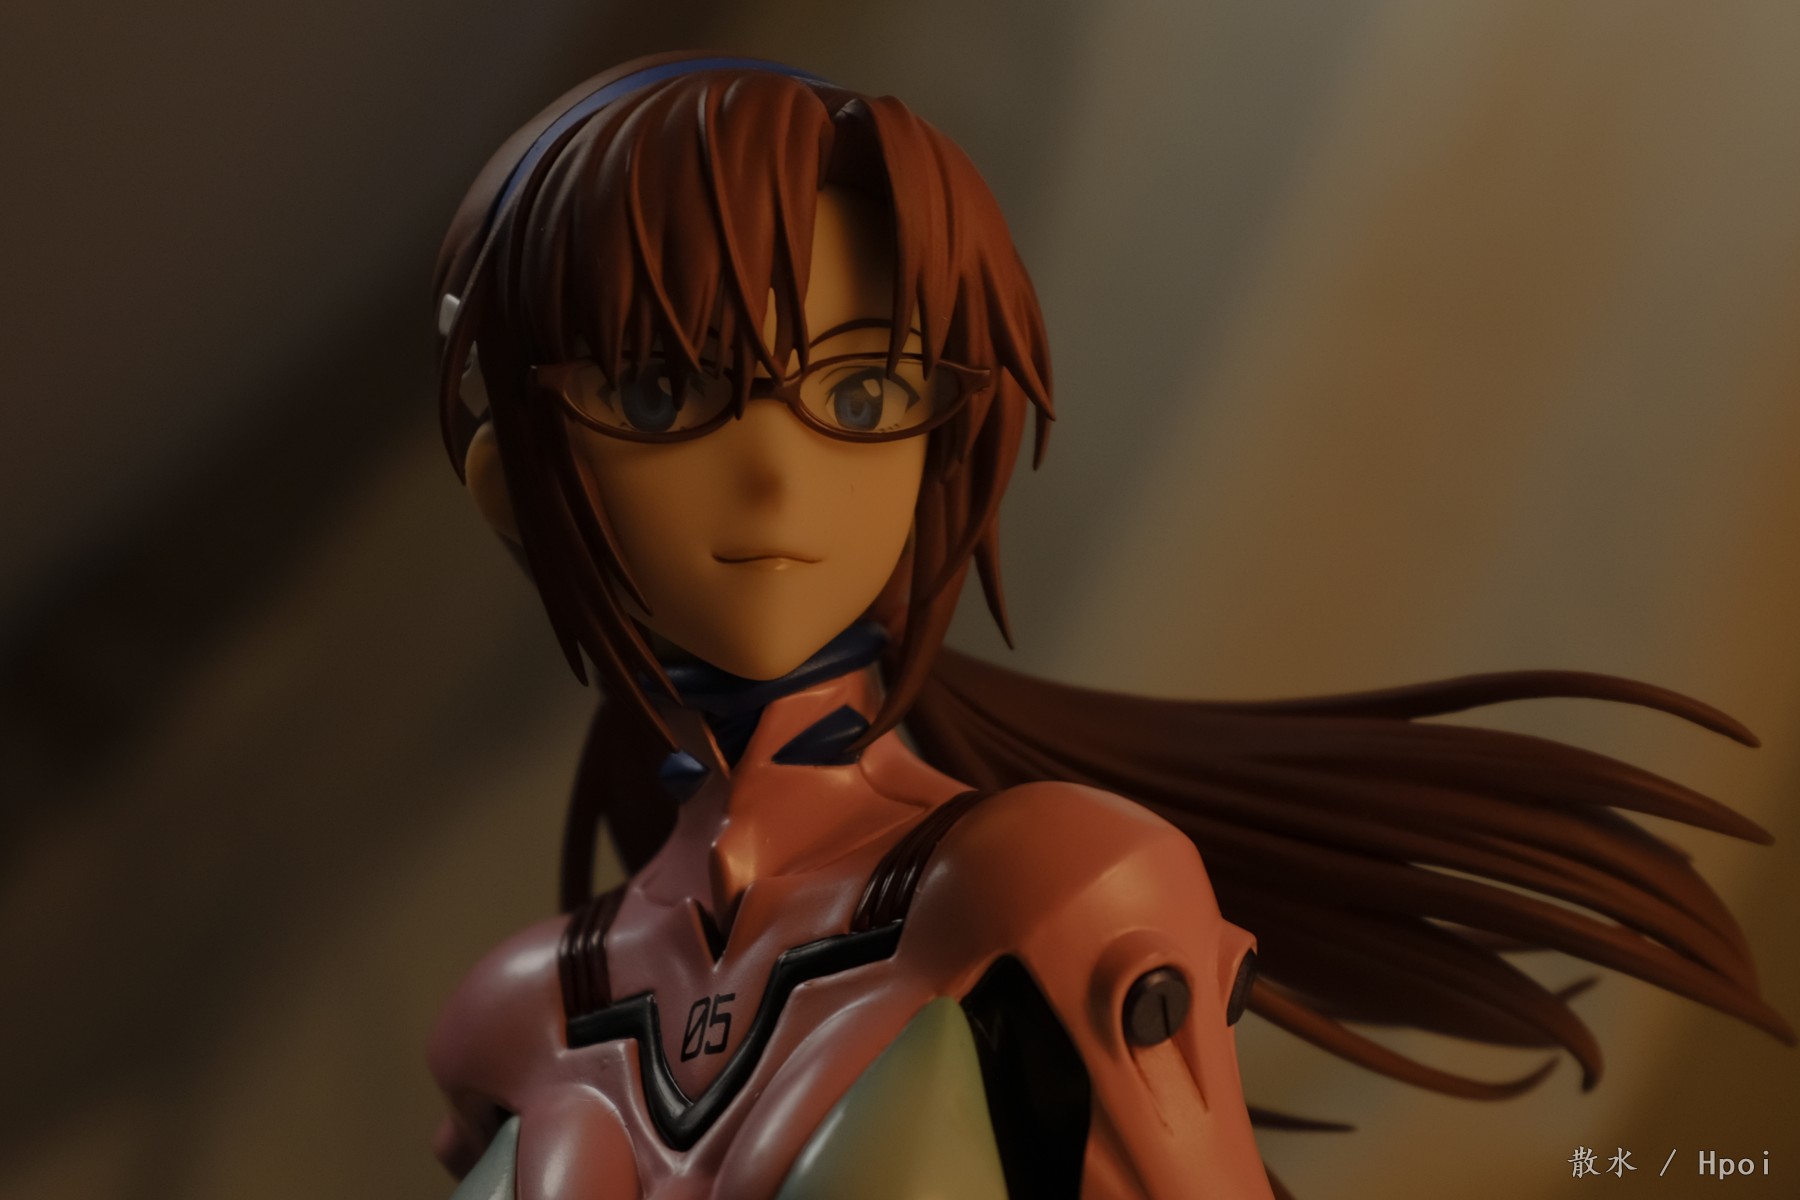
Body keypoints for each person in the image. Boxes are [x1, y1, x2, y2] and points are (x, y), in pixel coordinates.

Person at [427, 53, 1788, 1200]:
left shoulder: (1042, 885)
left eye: (858, 399)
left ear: (938, 445)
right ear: (508, 478)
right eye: (661, 394)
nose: (776, 473)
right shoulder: (520, 1010)